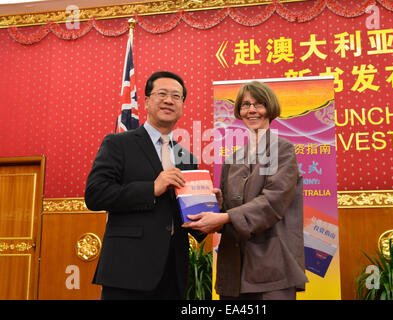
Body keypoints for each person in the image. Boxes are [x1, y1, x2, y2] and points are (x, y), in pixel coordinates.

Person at [85, 71, 205, 300]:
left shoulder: (186, 157)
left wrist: (206, 208)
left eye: (176, 96)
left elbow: (186, 218)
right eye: (162, 94)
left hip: (173, 272)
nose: (169, 100)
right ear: (147, 101)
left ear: (182, 105)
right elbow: (95, 194)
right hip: (127, 270)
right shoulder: (118, 143)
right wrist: (151, 188)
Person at [183, 80, 308, 300]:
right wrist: (218, 205)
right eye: (245, 104)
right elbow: (229, 215)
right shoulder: (233, 158)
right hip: (233, 268)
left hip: (272, 266)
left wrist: (225, 216)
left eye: (258, 104)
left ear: (270, 108)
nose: (251, 110)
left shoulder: (282, 149)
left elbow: (272, 203)